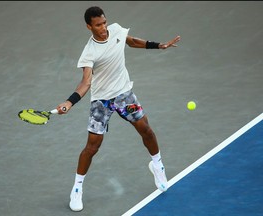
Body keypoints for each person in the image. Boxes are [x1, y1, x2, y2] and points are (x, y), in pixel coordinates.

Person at [56, 6, 181, 212]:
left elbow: (130, 41)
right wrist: (69, 102)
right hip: (101, 101)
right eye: (98, 25)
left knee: (146, 130)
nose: (103, 28)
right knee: (92, 147)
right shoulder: (89, 52)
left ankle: (157, 165)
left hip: (124, 94)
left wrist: (159, 45)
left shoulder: (115, 30)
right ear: (89, 27)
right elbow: (86, 82)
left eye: (104, 22)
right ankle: (77, 188)